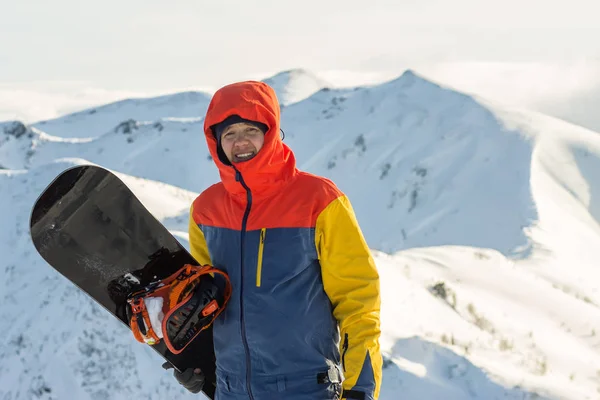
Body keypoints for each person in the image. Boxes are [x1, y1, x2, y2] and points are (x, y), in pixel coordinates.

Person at [171, 80, 382, 399]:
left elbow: (358, 300)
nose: (240, 142)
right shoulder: (206, 210)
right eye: (229, 133)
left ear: (270, 133)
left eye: (250, 130)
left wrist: (359, 389)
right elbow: (204, 299)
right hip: (232, 390)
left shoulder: (319, 201)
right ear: (216, 142)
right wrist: (200, 361)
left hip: (307, 388)